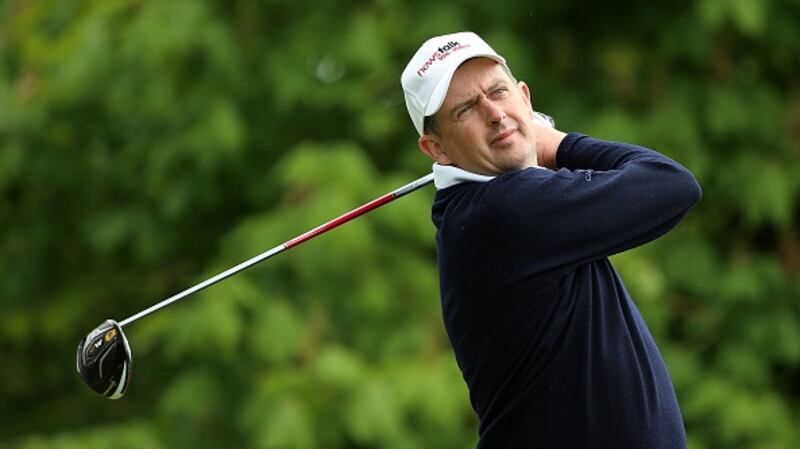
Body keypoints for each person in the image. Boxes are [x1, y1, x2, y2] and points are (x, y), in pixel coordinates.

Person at [401, 31, 702, 448]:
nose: (494, 113)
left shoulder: (494, 208)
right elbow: (672, 185)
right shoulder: (501, 213)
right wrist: (558, 144)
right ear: (437, 149)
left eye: (498, 92)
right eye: (466, 109)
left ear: (524, 98)